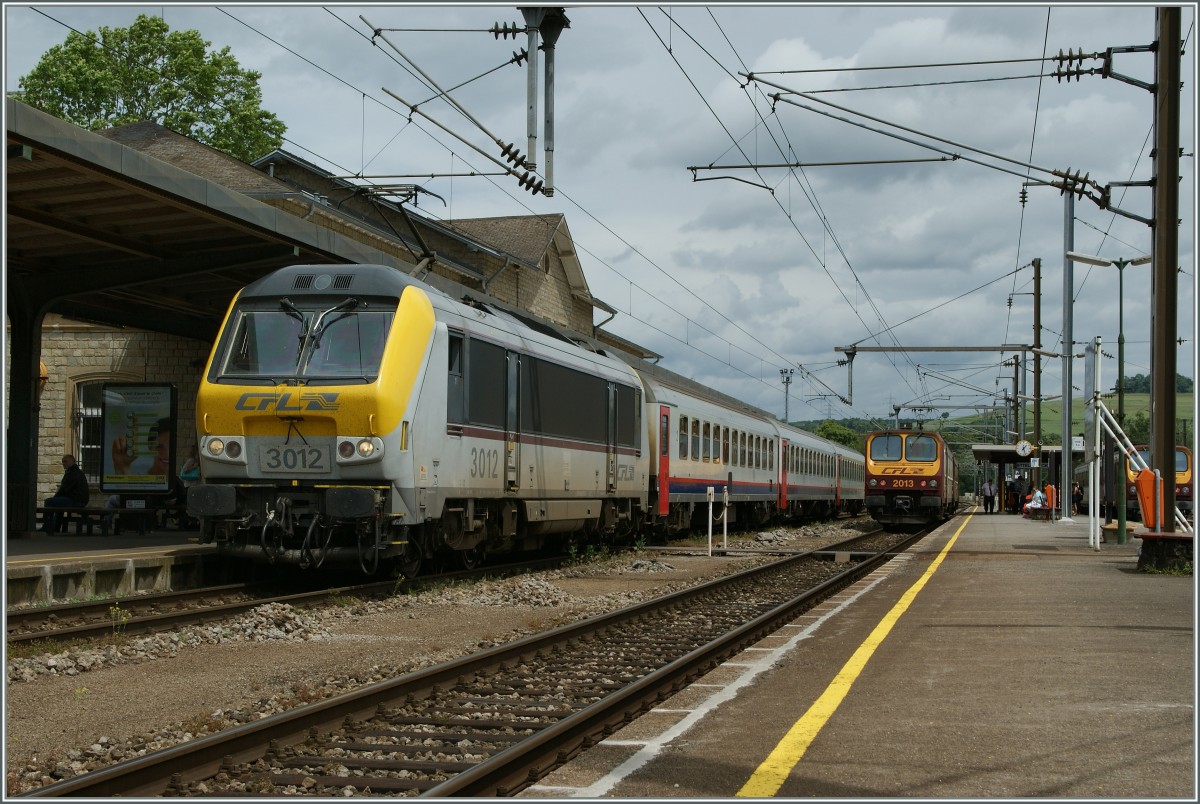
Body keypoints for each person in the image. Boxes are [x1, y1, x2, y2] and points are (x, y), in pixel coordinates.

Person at [42, 454, 90, 533]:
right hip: (78, 499)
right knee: (58, 502)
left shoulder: (73, 473)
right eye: (63, 461)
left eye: (65, 461)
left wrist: (55, 498)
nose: (63, 463)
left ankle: (47, 526)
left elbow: (64, 490)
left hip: (76, 500)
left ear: (72, 461)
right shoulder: (75, 472)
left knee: (49, 502)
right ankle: (55, 527)